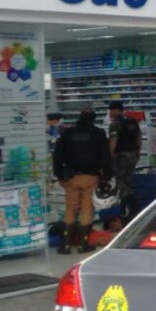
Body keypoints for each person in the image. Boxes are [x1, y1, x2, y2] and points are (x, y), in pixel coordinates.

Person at [53, 108, 112, 254]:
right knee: (87, 209)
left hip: (71, 176)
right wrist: (107, 175)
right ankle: (83, 244)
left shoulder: (68, 133)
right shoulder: (98, 134)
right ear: (93, 119)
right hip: (90, 177)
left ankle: (66, 245)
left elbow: (58, 155)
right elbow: (105, 156)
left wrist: (59, 175)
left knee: (70, 209)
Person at [107, 100, 142, 210]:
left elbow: (113, 141)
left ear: (116, 110)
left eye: (111, 110)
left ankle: (129, 202)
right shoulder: (133, 121)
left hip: (120, 156)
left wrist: (109, 156)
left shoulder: (115, 124)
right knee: (128, 180)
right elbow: (139, 137)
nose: (110, 113)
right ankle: (129, 206)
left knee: (119, 181)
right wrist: (137, 152)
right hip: (132, 155)